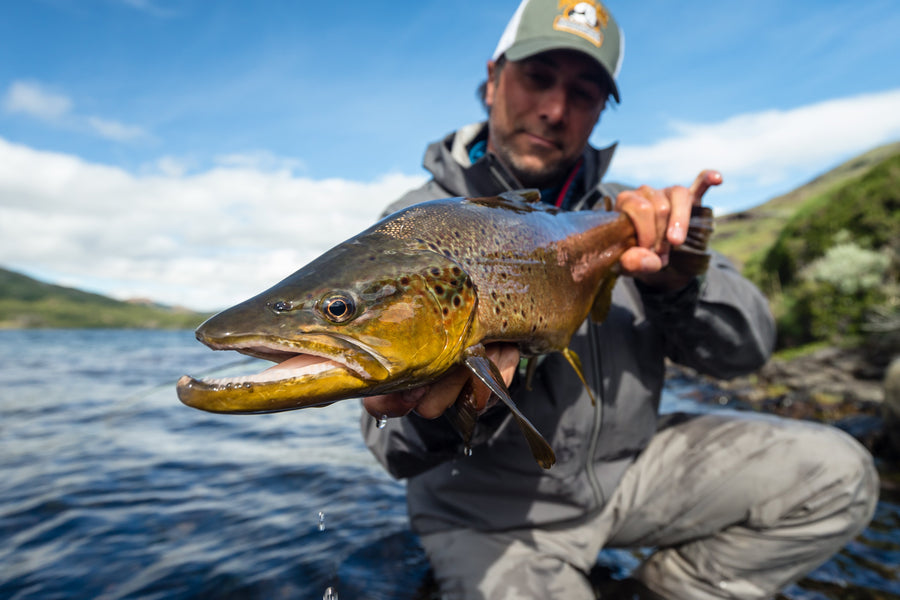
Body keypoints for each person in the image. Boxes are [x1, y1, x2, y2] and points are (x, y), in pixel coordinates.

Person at [360, 1, 879, 598]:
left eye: (584, 92)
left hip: (628, 479)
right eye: (537, 77)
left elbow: (751, 350)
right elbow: (393, 451)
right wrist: (473, 402)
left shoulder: (638, 215)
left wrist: (679, 281)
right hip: (489, 519)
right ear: (492, 78)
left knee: (838, 476)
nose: (554, 109)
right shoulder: (411, 229)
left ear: (601, 110)